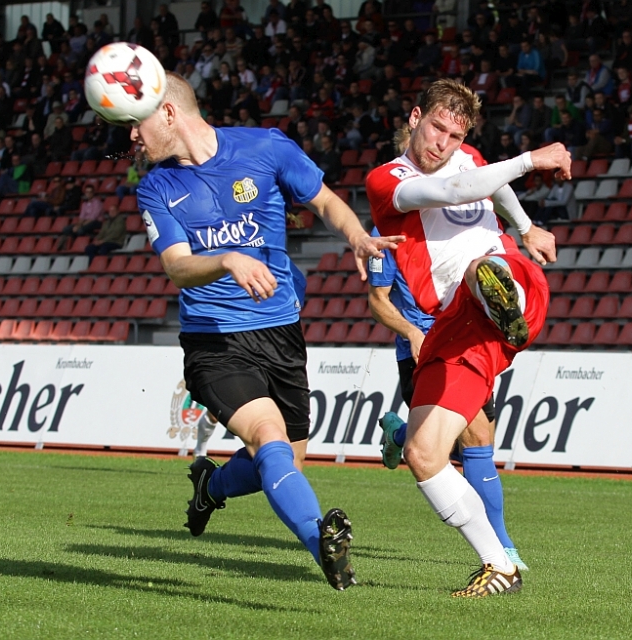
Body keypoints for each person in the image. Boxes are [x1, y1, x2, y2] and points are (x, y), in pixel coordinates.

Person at [133, 73, 402, 590]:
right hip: (215, 340)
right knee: (268, 437)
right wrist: (228, 259)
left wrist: (356, 236)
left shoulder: (266, 147)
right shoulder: (157, 186)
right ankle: (322, 542)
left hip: (281, 332)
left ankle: (211, 487)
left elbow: (324, 201)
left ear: (168, 113)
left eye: (136, 122)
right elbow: (177, 266)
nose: (131, 136)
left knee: (283, 462)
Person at [366, 80, 563, 597]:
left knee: (481, 267)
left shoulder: (469, 159)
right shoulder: (387, 180)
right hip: (455, 330)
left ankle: (501, 300)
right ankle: (499, 565)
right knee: (424, 453)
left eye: (455, 136)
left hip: (513, 282)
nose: (444, 143)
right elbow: (457, 190)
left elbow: (489, 185)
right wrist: (531, 160)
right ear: (415, 118)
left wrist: (525, 227)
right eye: (437, 128)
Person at [367, 228, 529, 573]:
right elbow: (377, 300)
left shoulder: (468, 222)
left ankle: (399, 434)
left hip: (469, 343)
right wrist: (412, 332)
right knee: (474, 441)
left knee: (474, 445)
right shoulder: (388, 233)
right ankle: (502, 549)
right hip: (425, 348)